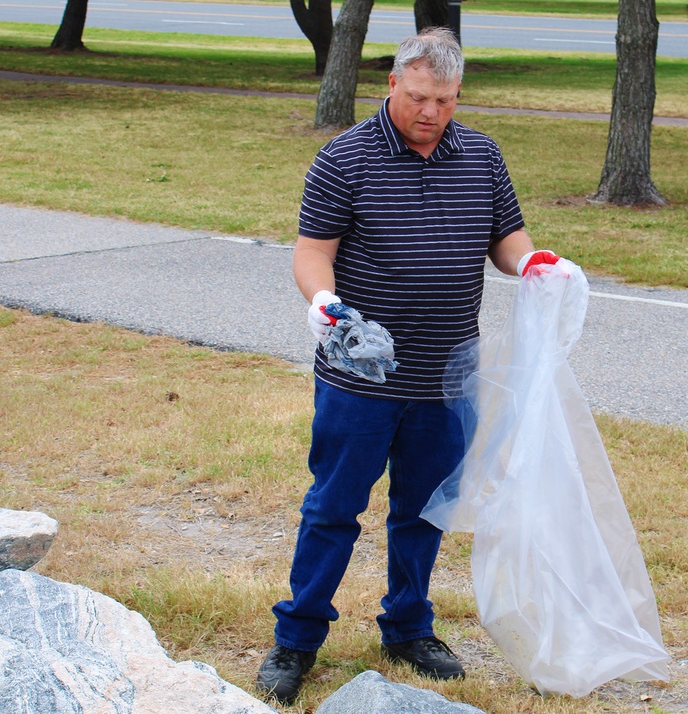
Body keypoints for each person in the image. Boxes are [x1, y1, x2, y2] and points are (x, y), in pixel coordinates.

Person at [256, 27, 563, 705]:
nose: (431, 112)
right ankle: (297, 637)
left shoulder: (481, 155)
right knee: (334, 507)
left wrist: (535, 264)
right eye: (420, 97)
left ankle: (408, 626)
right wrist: (324, 301)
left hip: (449, 375)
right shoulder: (345, 158)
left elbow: (506, 238)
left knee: (425, 510)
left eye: (446, 102)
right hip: (360, 380)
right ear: (393, 84)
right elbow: (313, 252)